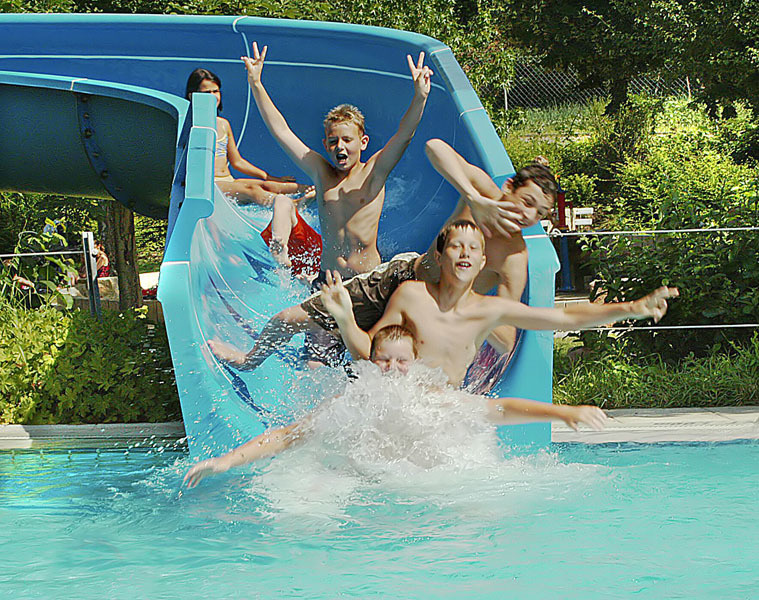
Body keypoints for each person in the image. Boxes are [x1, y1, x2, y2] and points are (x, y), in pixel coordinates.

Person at [209, 145, 558, 370]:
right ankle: (248, 361)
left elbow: (506, 337)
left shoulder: (514, 257)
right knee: (289, 318)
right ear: (509, 186)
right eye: (527, 202)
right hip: (401, 276)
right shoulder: (481, 191)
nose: (528, 216)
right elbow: (435, 147)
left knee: (374, 367)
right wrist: (473, 197)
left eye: (539, 213)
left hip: (427, 315)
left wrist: (470, 311)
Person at [183, 324, 607, 488]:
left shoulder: (433, 399)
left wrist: (565, 412)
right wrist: (225, 462)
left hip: (430, 482)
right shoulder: (351, 402)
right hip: (374, 484)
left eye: (401, 361)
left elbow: (498, 410)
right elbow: (287, 436)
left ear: (415, 363)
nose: (392, 369)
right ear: (370, 363)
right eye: (383, 360)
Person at [321, 220, 679, 387]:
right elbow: (369, 354)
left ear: (481, 263)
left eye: (473, 249)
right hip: (398, 403)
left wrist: (632, 308)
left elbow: (563, 319)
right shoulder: (411, 295)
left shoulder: (489, 311)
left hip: (439, 415)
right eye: (456, 246)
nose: (465, 253)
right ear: (440, 257)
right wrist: (346, 319)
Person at [185, 68, 319, 275]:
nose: (212, 97)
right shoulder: (191, 125)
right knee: (251, 189)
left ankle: (313, 188)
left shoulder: (223, 124)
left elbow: (237, 161)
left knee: (267, 185)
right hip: (211, 184)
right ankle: (292, 204)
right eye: (206, 93)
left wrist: (268, 176)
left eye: (215, 91)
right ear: (192, 96)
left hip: (228, 180)